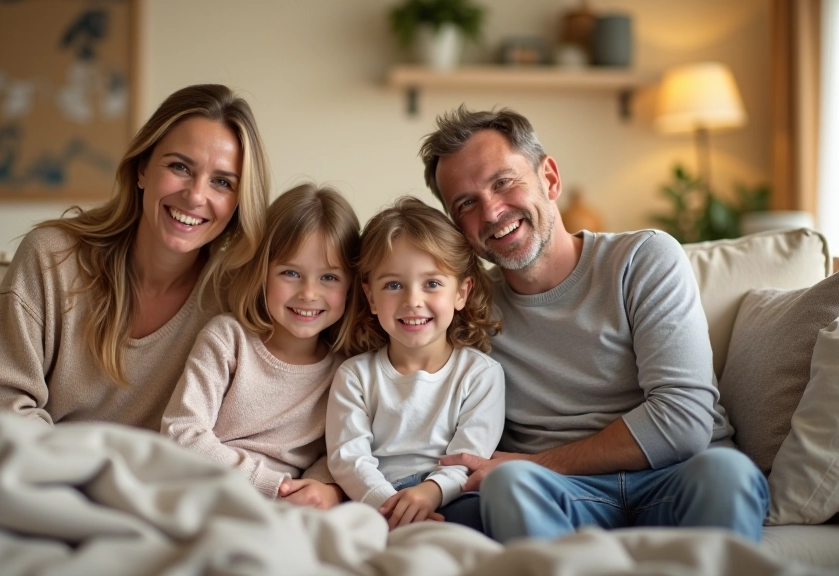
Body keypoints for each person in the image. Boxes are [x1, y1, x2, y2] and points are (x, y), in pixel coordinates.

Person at [419, 106, 769, 543]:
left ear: (549, 178)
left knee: (728, 475)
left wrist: (538, 462)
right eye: (467, 203)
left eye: (503, 182)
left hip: (678, 476)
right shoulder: (466, 308)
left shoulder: (643, 258)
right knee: (507, 485)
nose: (491, 212)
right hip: (559, 495)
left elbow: (683, 419)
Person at [0, 84, 270, 428]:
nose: (195, 196)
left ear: (238, 202)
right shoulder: (51, 257)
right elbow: (3, 407)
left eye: (222, 182)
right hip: (42, 460)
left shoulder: (238, 299)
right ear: (142, 169)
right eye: (180, 167)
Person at [162, 184, 359, 509]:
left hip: (289, 508)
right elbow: (181, 431)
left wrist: (327, 488)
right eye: (290, 273)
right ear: (262, 272)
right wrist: (274, 486)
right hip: (207, 490)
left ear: (351, 285)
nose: (309, 293)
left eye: (329, 278)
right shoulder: (228, 339)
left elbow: (340, 452)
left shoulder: (347, 372)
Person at [326, 196, 504, 532]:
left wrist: (430, 492)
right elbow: (348, 458)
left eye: (432, 284)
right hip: (373, 498)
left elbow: (469, 456)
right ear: (371, 296)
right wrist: (388, 506)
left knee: (486, 514)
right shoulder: (355, 375)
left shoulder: (481, 374)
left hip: (449, 496)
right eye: (393, 285)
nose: (412, 301)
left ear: (461, 292)